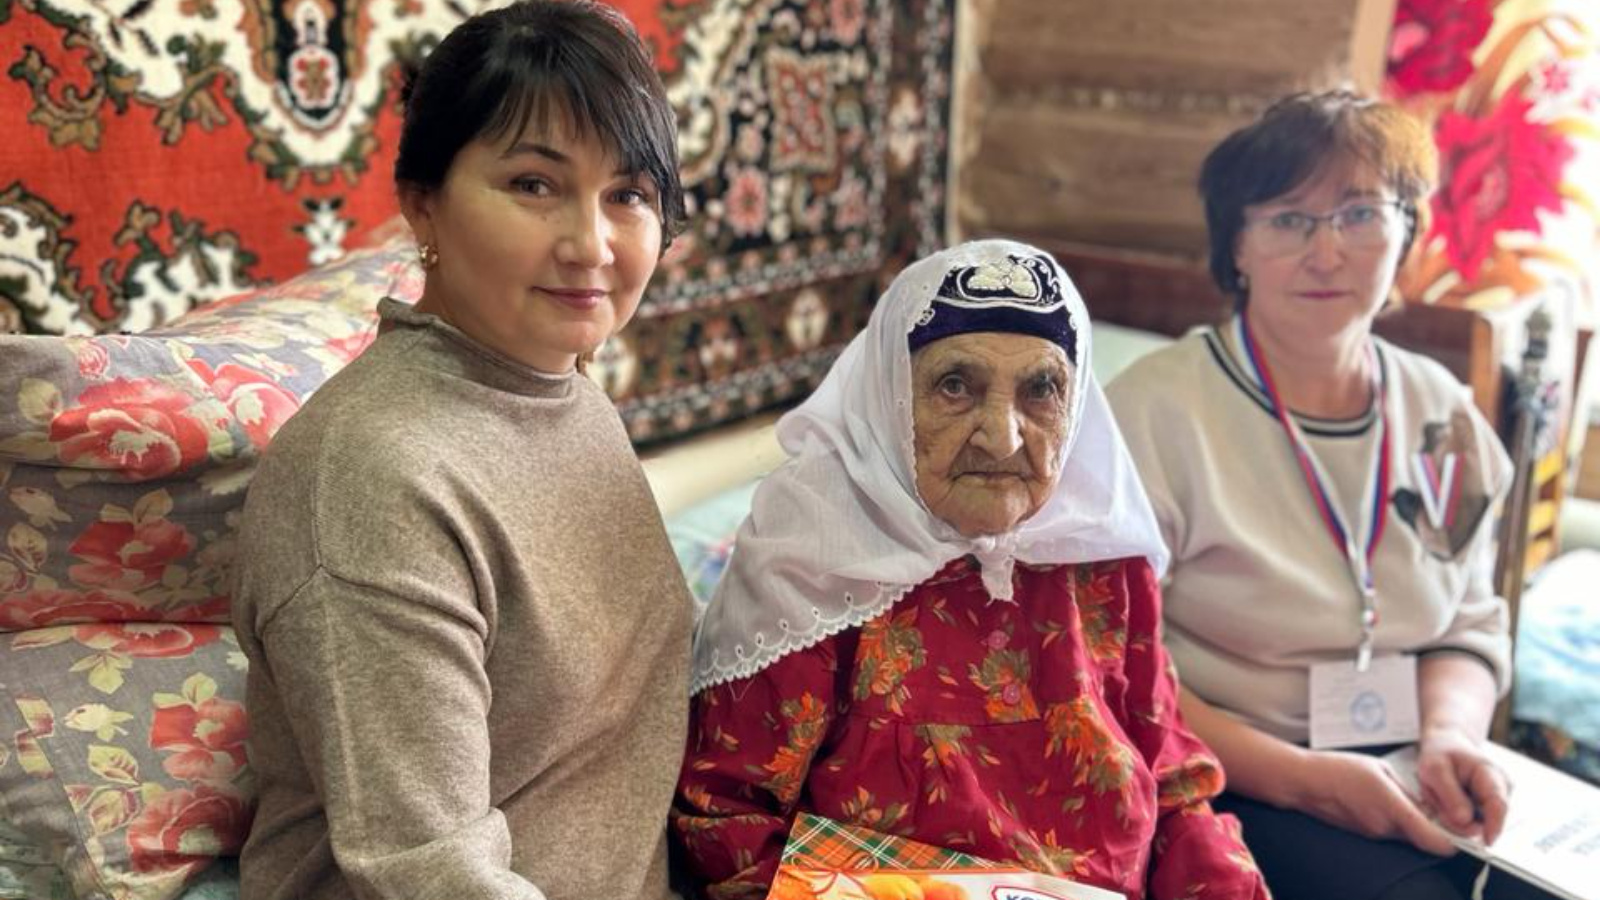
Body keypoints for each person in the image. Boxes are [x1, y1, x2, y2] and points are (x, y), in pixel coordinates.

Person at [231, 4, 693, 899]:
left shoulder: (559, 388)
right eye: (534, 183)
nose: (590, 245)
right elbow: (433, 873)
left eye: (628, 195)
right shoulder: (374, 479)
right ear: (422, 205)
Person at [672, 240, 1270, 900]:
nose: (1003, 437)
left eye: (1041, 389)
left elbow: (1175, 787)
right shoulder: (812, 562)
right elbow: (727, 825)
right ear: (891, 397)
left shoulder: (1101, 554)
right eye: (956, 386)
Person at [1106, 91, 1541, 900]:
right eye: (1288, 220)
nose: (1327, 253)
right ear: (1236, 246)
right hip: (1229, 770)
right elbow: (1116, 667)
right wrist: (1306, 781)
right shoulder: (1154, 414)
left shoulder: (1441, 413)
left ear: (1405, 233)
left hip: (1415, 756)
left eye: (1360, 215)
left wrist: (1451, 735)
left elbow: (1470, 622)